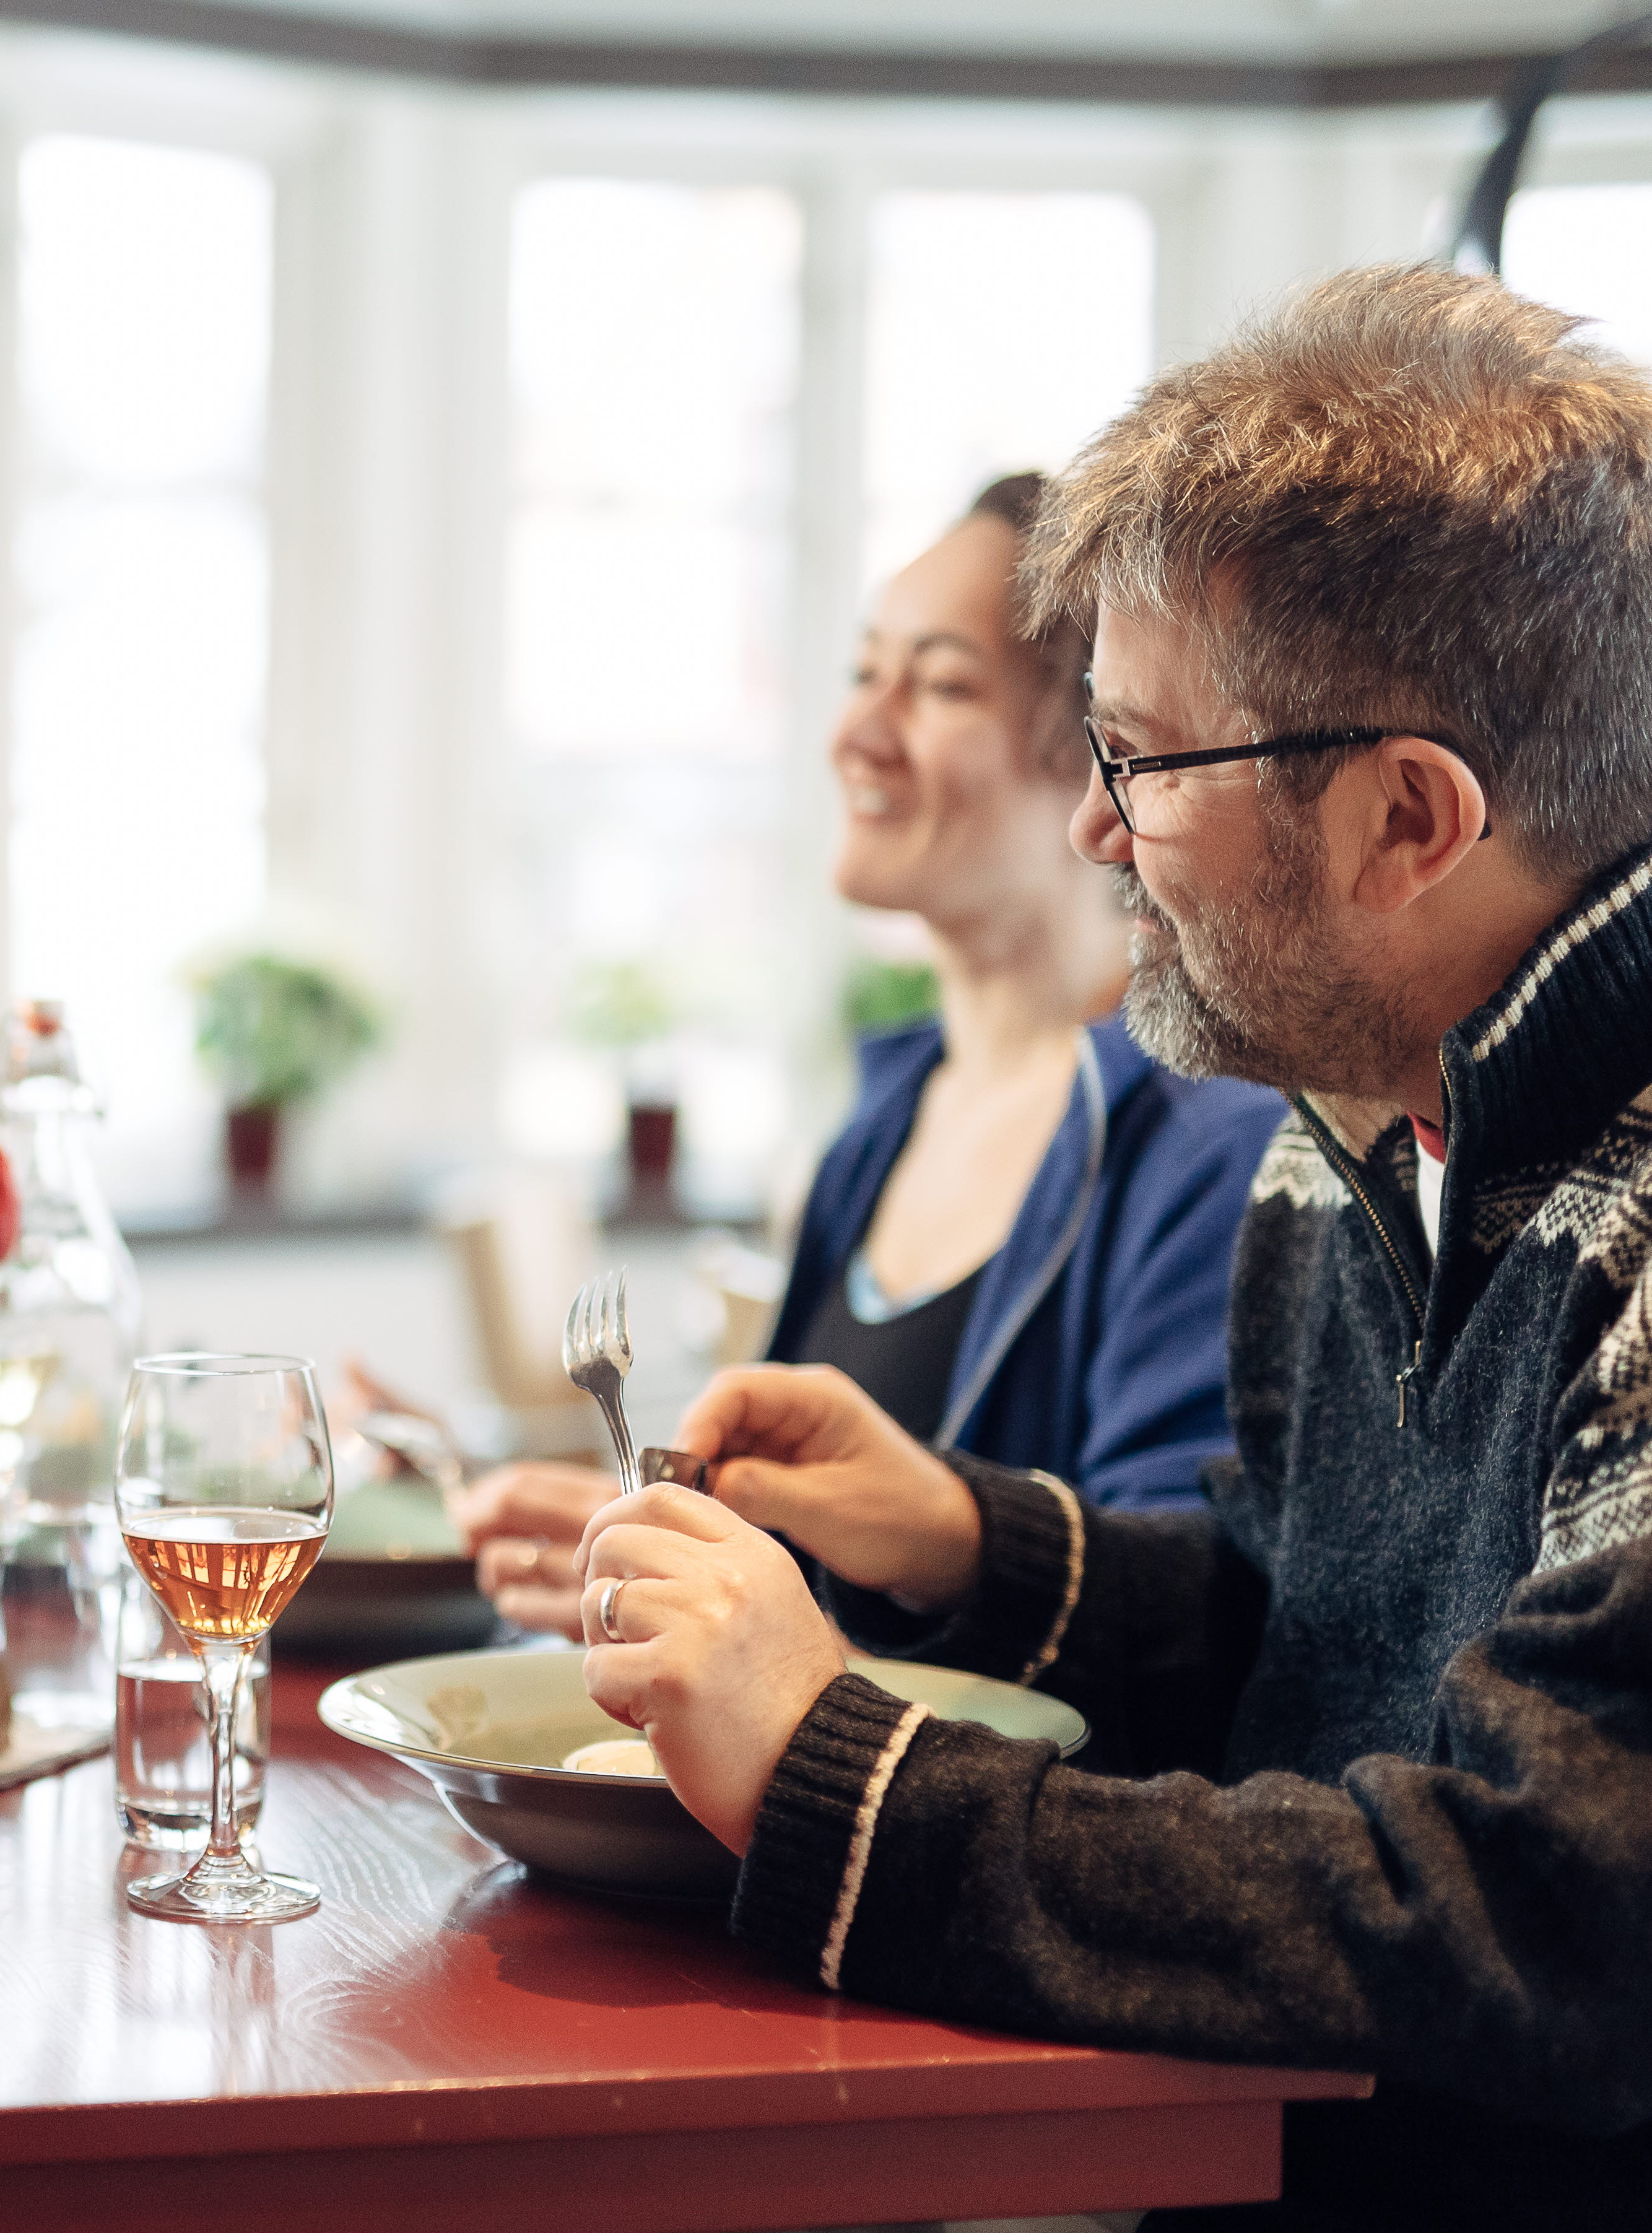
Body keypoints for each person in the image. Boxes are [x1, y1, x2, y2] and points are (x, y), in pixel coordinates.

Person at [581, 264, 1652, 2227]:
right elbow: (1299, 1643)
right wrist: (974, 1539)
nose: (1092, 829)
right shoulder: (1361, 1114)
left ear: (1406, 820)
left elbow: (1550, 1913)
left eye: (1144, 762)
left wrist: (840, 1770)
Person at [455, 476, 1284, 1635]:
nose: (855, 733)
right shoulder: (882, 1122)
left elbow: (1191, 1619)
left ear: (1103, 748)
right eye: (862, 672)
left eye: (940, 684)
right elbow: (810, 1575)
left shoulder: (1209, 1135)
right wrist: (630, 1550)